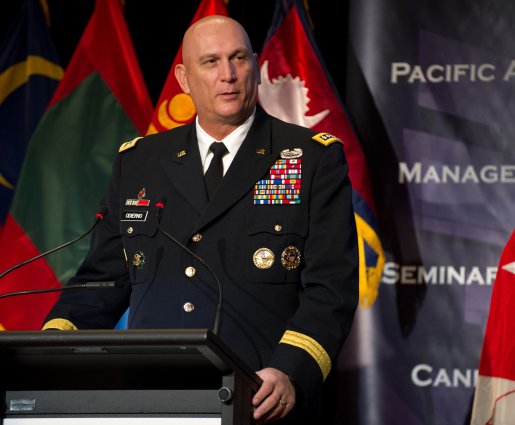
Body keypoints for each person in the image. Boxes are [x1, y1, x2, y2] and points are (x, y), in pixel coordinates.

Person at [42, 15, 359, 425]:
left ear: (257, 67)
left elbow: (331, 288)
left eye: (239, 58)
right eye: (210, 62)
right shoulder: (140, 163)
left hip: (257, 399)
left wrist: (290, 371)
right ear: (184, 78)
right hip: (155, 399)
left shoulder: (311, 158)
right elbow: (101, 281)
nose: (227, 75)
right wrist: (53, 341)